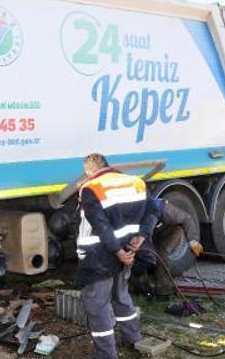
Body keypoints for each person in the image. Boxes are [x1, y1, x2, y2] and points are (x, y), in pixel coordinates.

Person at [76, 153, 157, 359]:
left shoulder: (91, 188)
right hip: (128, 250)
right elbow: (154, 210)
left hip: (99, 256)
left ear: (89, 171)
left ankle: (107, 354)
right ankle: (133, 339)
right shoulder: (136, 182)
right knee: (121, 296)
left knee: (97, 305)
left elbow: (100, 225)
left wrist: (118, 253)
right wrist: (141, 236)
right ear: (108, 166)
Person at [129, 199, 205, 298]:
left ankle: (163, 291)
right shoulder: (131, 215)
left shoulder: (164, 209)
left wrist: (193, 241)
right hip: (147, 234)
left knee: (161, 256)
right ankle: (143, 290)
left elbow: (187, 218)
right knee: (142, 259)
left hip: (168, 231)